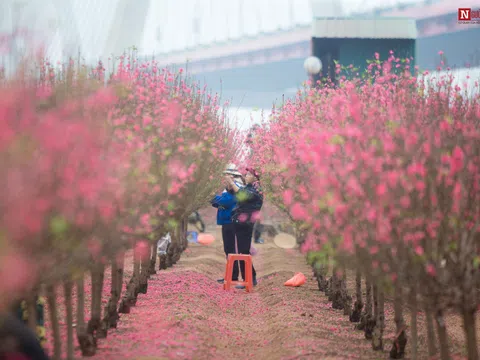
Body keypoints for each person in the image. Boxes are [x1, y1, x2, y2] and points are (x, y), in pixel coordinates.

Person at [227, 167, 263, 289]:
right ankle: (250, 277)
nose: (245, 176)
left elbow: (242, 195)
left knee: (244, 251)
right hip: (239, 223)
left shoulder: (256, 189)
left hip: (245, 224)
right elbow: (237, 193)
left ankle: (249, 278)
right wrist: (230, 184)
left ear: (255, 177)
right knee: (243, 251)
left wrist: (232, 182)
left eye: (248, 174)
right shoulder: (249, 188)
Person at [211, 164, 245, 284]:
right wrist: (218, 202)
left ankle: (233, 276)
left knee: (230, 249)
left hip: (230, 222)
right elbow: (219, 203)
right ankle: (232, 275)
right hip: (227, 222)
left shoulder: (235, 190)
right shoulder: (229, 189)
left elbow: (223, 202)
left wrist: (215, 199)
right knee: (229, 249)